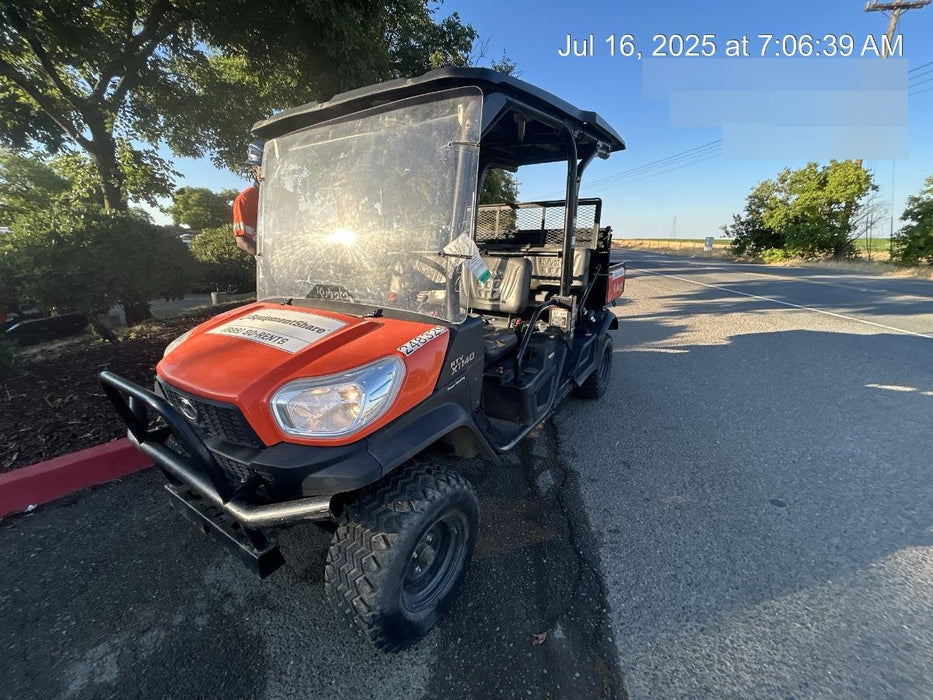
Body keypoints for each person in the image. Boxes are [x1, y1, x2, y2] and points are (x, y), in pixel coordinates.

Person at [232, 140, 264, 256]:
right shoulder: (245, 200)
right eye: (264, 166)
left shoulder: (283, 194)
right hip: (269, 263)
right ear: (255, 169)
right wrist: (266, 261)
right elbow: (242, 241)